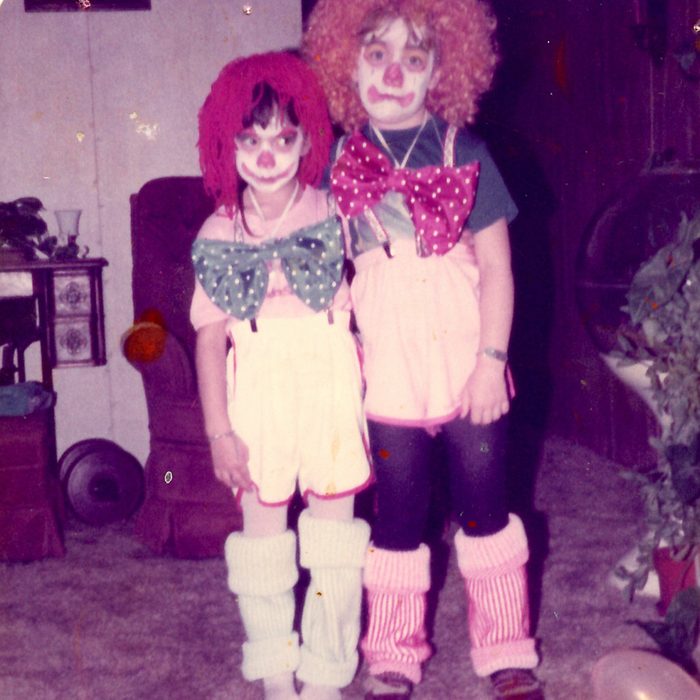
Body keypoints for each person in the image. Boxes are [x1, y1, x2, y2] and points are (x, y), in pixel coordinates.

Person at [303, 3, 544, 699]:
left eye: (415, 58)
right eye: (377, 53)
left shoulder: (465, 152)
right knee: (398, 514)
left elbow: (499, 269)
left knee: (484, 505)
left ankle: (505, 649)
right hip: (387, 369)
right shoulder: (337, 162)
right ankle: (393, 653)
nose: (393, 73)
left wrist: (492, 363)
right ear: (345, 59)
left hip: (467, 361)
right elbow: (318, 265)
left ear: (445, 69)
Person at [190, 51, 372, 700]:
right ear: (225, 143)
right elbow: (209, 342)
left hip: (327, 383)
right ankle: (275, 673)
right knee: (262, 543)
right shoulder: (219, 231)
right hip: (259, 392)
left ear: (308, 139)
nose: (267, 154)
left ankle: (325, 675)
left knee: (334, 542)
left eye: (283, 137)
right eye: (250, 138)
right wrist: (218, 433)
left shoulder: (335, 210)